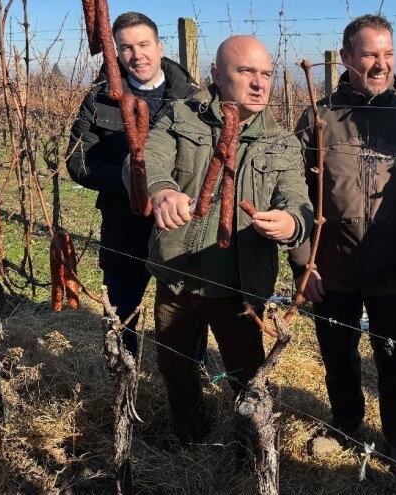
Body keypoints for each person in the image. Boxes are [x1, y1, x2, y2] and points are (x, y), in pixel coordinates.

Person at [125, 35, 312, 445]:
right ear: (216, 75)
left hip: (237, 292)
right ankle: (189, 434)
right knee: (175, 368)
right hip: (176, 278)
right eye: (245, 72)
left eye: (266, 74)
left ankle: (252, 454)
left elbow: (299, 203)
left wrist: (290, 223)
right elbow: (144, 160)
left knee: (247, 381)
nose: (259, 83)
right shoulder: (180, 117)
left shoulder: (280, 143)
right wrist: (161, 191)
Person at [289, 14, 396, 481]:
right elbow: (294, 193)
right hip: (331, 266)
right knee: (337, 353)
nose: (381, 64)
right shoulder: (318, 119)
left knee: (394, 357)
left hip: (392, 268)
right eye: (370, 54)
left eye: (389, 54)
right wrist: (303, 262)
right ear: (346, 58)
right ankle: (345, 426)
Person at [66, 12, 200, 354]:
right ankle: (122, 378)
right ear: (116, 53)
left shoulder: (194, 100)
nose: (136, 54)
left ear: (159, 46)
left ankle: (190, 378)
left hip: (180, 224)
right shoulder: (98, 100)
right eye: (126, 47)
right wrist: (133, 183)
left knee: (187, 313)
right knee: (121, 314)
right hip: (122, 222)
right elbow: (79, 163)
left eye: (143, 44)